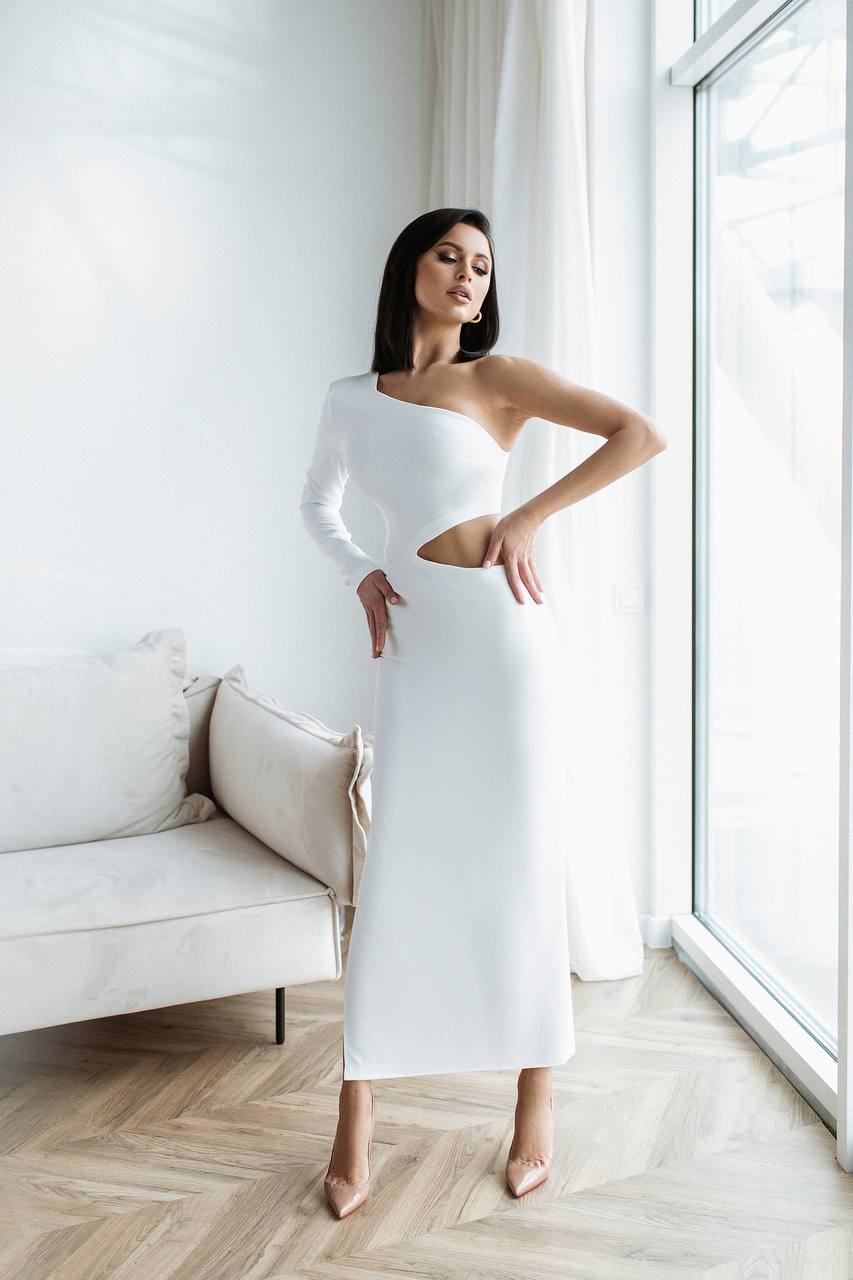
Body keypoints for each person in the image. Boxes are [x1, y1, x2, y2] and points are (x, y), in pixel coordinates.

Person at [299, 208, 667, 1218]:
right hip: (417, 650)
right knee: (402, 863)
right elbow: (317, 507)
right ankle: (355, 1111)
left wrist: (528, 513)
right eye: (449, 256)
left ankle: (534, 1095)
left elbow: (640, 433)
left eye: (483, 264)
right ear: (409, 268)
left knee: (517, 853)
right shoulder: (349, 398)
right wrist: (362, 577)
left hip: (503, 644)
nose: (468, 275)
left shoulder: (498, 378)